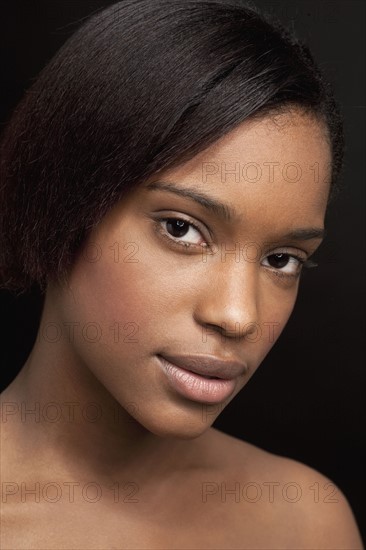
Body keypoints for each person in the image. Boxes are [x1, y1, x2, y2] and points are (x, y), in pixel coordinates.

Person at [0, 1, 363, 548]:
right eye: (181, 229)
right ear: (62, 204)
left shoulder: (306, 523)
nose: (239, 315)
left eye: (282, 259)